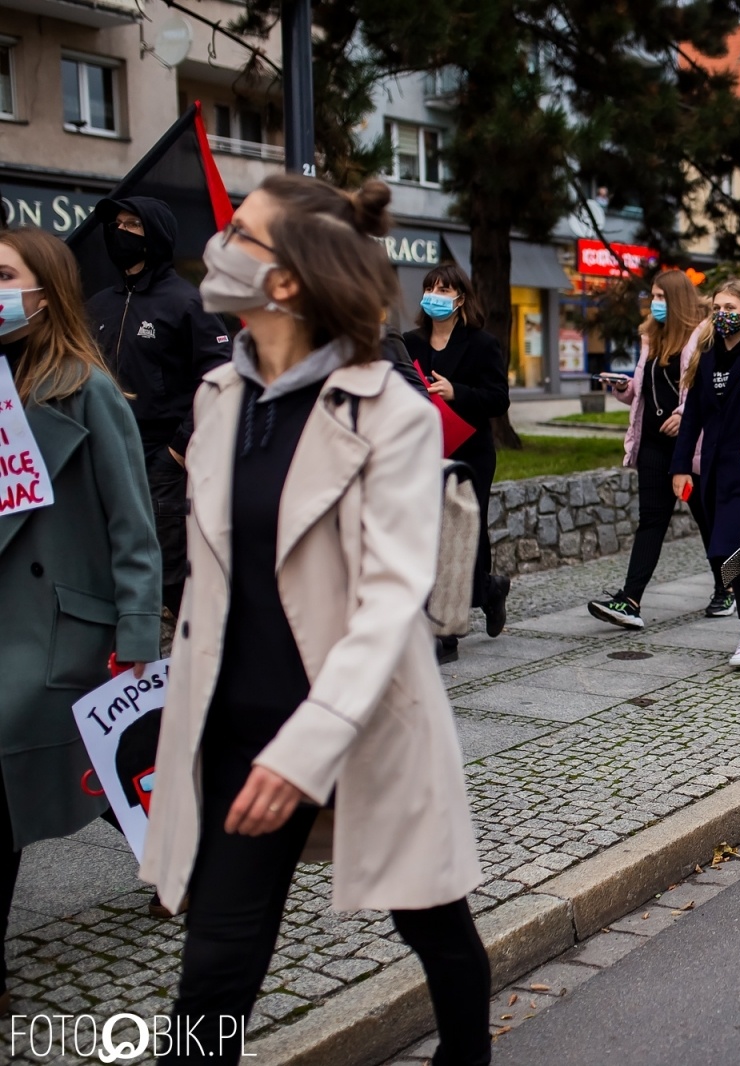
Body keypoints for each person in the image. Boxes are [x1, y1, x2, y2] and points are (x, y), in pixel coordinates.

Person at [141, 176, 490, 1065]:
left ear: (287, 280)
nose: (220, 247)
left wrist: (309, 746)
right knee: (215, 974)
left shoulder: (392, 414)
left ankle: (468, 1053)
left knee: (433, 925)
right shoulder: (222, 396)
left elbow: (389, 599)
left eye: (242, 235)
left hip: (355, 720)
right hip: (234, 733)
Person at [0, 227, 162, 1016]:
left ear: (45, 289)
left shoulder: (89, 389)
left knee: (66, 770)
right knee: (59, 775)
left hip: (64, 625)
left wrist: (137, 634)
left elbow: (134, 525)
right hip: (9, 624)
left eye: (1, 275)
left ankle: (173, 850)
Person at [85, 197, 232, 615]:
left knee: (168, 574)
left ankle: (180, 663)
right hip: (103, 454)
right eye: (116, 224)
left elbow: (219, 379)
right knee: (107, 561)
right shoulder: (97, 305)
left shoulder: (187, 303)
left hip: (161, 460)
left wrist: (177, 450)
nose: (119, 232)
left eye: (133, 225)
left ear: (157, 235)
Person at [589, 268, 722, 628]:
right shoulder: (651, 337)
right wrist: (621, 387)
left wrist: (684, 413)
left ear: (677, 299)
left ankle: (727, 588)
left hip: (687, 447)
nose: (654, 304)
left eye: (662, 297)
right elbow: (640, 389)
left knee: (708, 519)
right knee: (651, 519)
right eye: (653, 297)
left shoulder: (701, 337)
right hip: (652, 443)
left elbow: (708, 389)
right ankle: (630, 601)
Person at [403, 264, 511, 662]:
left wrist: (457, 392)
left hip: (470, 452)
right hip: (423, 449)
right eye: (429, 287)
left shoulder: (482, 344)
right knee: (428, 532)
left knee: (463, 529)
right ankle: (481, 593)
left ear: (460, 298)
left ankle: (452, 628)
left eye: (443, 289)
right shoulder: (409, 342)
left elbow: (498, 398)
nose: (434, 295)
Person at [671, 278, 740, 667]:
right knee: (723, 554)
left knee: (728, 549)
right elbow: (694, 415)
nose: (722, 315)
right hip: (713, 472)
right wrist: (681, 466)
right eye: (717, 308)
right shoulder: (709, 355)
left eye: (731, 308)